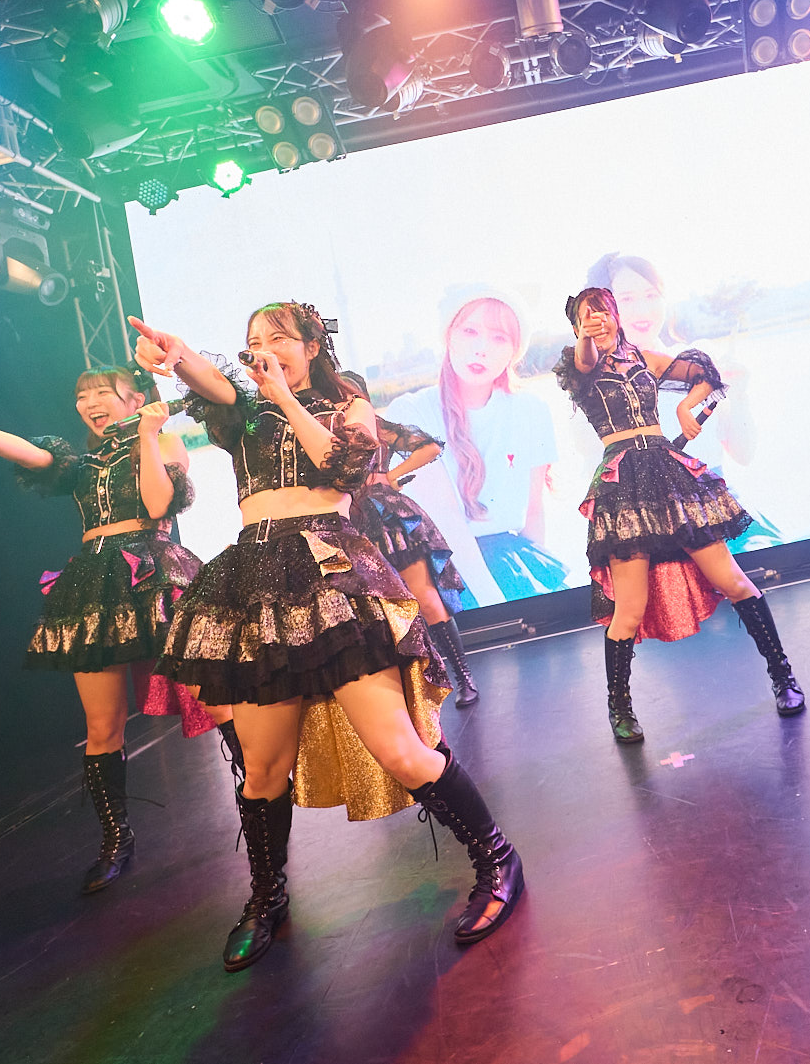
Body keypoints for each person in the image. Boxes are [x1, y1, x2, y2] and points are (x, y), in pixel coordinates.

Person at [129, 304, 524, 970]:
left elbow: (342, 469)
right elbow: (213, 381)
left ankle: (498, 858)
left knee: (401, 751)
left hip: (332, 574)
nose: (264, 349)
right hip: (255, 580)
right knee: (262, 769)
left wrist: (286, 398)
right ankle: (268, 896)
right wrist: (179, 355)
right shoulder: (244, 411)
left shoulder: (347, 404)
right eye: (254, 340)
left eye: (279, 337)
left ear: (313, 346)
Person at [0, 367, 202, 895]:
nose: (89, 402)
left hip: (155, 574)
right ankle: (116, 838)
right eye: (82, 395)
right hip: (94, 584)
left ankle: (257, 806)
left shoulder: (164, 440)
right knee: (101, 725)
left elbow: (157, 505)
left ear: (135, 400)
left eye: (102, 392)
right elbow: (34, 456)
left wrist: (147, 435)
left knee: (216, 702)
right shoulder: (83, 462)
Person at [555, 287, 805, 745]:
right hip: (623, 484)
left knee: (733, 581)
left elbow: (705, 373)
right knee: (629, 609)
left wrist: (686, 405)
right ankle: (620, 708)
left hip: (669, 474)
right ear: (576, 329)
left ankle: (783, 676)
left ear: (616, 316)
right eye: (586, 318)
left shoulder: (645, 359)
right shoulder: (580, 365)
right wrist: (586, 338)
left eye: (603, 313)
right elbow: (584, 359)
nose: (597, 322)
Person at [585, 253, 782, 551]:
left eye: (651, 295)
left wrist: (739, 394)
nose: (643, 310)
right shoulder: (594, 385)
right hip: (652, 530)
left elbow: (743, 453)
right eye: (626, 299)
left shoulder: (697, 359)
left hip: (722, 513)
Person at [385, 291, 568, 604]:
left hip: (515, 564)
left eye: (499, 337)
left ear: (514, 351)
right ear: (449, 337)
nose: (482, 348)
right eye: (470, 331)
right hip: (448, 571)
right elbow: (446, 518)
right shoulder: (411, 411)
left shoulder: (531, 410)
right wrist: (494, 605)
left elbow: (534, 512)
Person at [351, 401, 480, 705]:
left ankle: (463, 678)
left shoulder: (375, 426)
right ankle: (414, 691)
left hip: (389, 517)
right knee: (380, 615)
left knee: (427, 600)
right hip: (351, 522)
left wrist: (389, 475)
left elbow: (430, 447)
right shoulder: (323, 430)